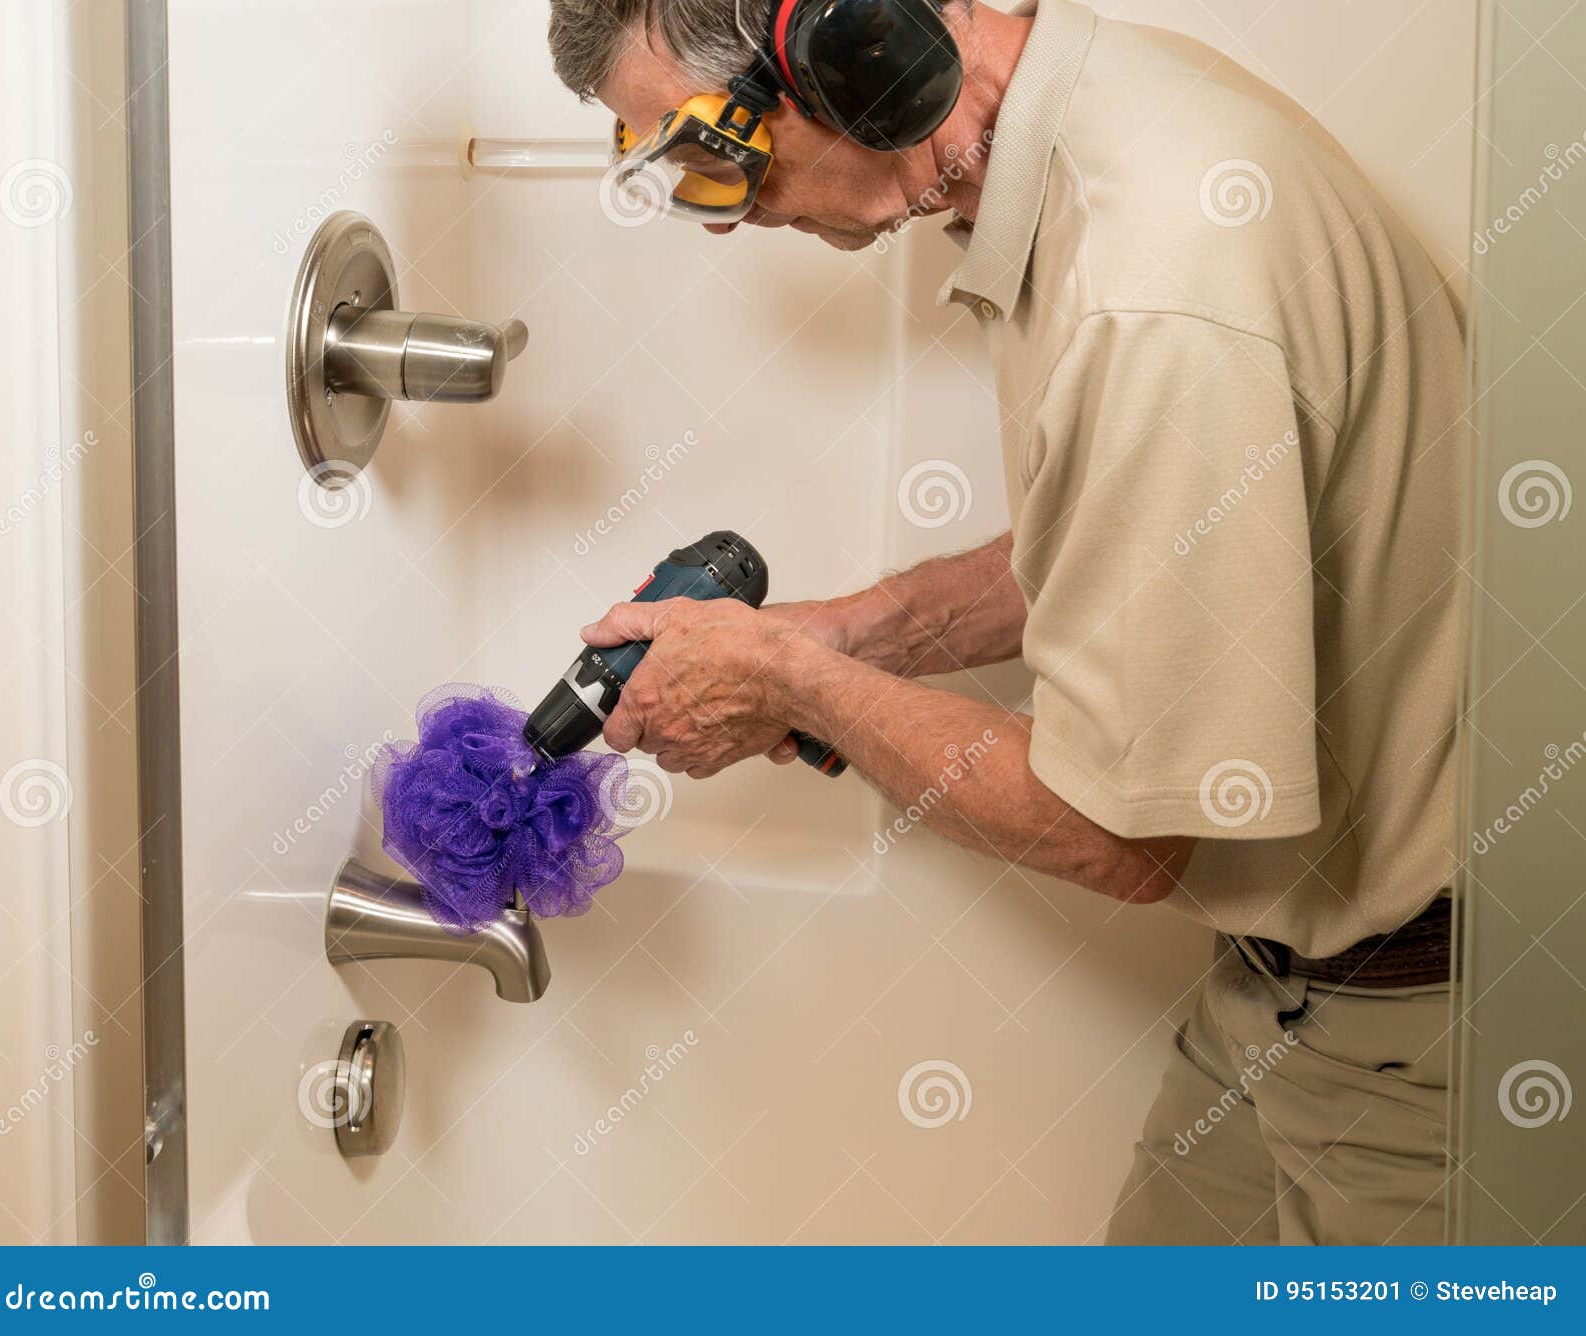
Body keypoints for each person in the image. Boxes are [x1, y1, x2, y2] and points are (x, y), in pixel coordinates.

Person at [548, 0, 1464, 1245]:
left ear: (848, 47)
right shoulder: (1100, 120)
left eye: (720, 156)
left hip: (1433, 1031)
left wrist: (789, 688)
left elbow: (1121, 836)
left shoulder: (1150, 281)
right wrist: (851, 635)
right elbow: (1142, 553)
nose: (736, 214)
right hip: (1286, 987)